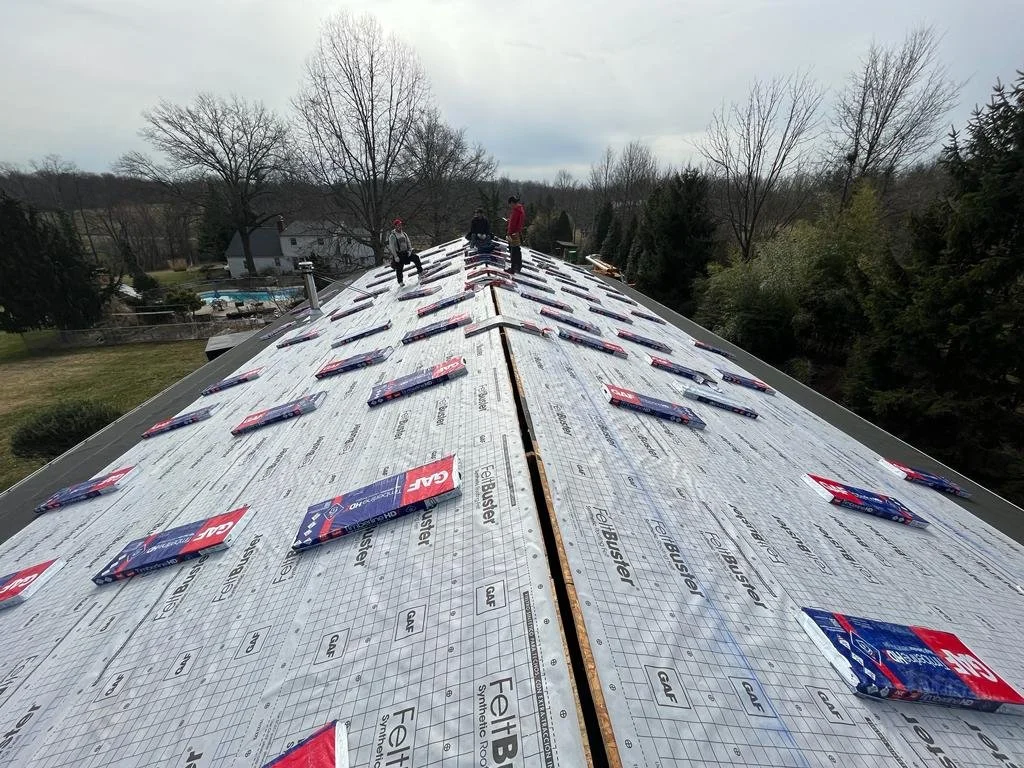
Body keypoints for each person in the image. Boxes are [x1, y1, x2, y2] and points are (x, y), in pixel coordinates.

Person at [387, 218, 422, 286]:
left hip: (406, 252)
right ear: (395, 226)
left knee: (416, 258)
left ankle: (420, 272)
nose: (399, 227)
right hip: (399, 254)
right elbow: (392, 247)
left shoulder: (404, 234)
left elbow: (408, 242)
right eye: (398, 225)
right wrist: (395, 256)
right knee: (399, 268)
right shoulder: (392, 236)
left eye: (400, 225)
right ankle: (400, 282)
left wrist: (409, 251)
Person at [505, 195, 525, 273]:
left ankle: (513, 268)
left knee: (513, 251)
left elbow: (513, 224)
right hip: (517, 232)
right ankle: (518, 266)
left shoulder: (516, 210)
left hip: (513, 233)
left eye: (510, 204)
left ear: (512, 203)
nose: (510, 206)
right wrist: (509, 220)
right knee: (517, 250)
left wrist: (509, 233)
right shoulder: (520, 209)